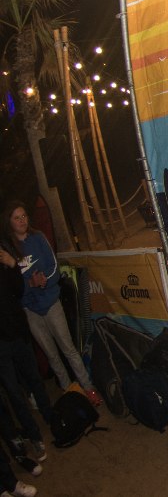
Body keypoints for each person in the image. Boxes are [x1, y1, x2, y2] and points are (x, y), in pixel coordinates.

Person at [3, 203, 100, 407]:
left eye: (24, 216)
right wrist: (29, 284)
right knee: (52, 355)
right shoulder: (8, 250)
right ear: (9, 222)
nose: (22, 221)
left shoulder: (38, 238)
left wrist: (42, 280)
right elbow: (11, 289)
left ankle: (88, 387)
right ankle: (70, 393)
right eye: (16, 217)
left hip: (50, 303)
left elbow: (54, 269)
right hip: (30, 311)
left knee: (69, 348)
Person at [0, 241, 49, 476]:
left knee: (34, 379)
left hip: (18, 332)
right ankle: (34, 437)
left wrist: (13, 266)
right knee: (14, 393)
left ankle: (51, 419)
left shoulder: (3, 251)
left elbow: (18, 292)